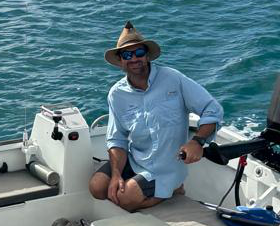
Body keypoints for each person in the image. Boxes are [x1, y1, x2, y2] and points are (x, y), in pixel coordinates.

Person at [89, 21, 224, 212]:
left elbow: (212, 109)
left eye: (139, 53)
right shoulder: (116, 94)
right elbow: (117, 139)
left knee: (125, 198)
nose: (134, 58)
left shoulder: (173, 79)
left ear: (147, 55)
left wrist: (197, 142)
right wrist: (117, 175)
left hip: (166, 167)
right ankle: (151, 188)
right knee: (97, 187)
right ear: (120, 61)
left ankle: (173, 188)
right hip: (135, 159)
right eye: (127, 54)